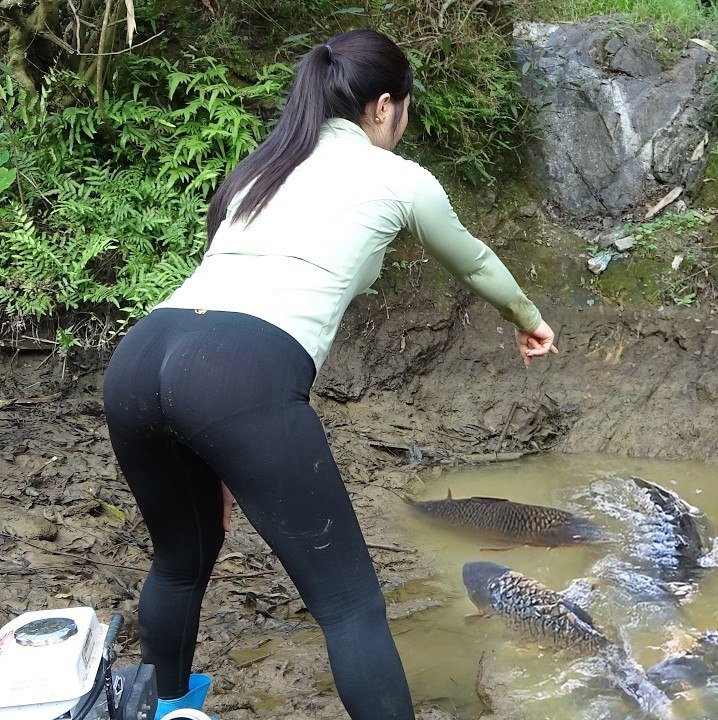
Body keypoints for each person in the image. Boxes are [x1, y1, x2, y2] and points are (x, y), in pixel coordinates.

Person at [101, 29, 556, 720]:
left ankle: (163, 710)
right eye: (405, 110)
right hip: (236, 372)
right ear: (384, 106)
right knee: (351, 606)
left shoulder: (261, 169)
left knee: (179, 563)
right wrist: (528, 318)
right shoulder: (398, 178)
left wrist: (212, 448)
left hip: (144, 357)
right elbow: (474, 260)